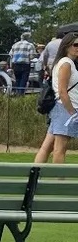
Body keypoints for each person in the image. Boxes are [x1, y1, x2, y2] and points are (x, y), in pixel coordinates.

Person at [33, 31, 78, 165]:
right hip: (66, 108)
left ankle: (34, 177)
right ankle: (59, 181)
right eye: (75, 45)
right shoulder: (66, 64)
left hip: (61, 108)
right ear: (66, 46)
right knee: (60, 148)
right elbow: (63, 91)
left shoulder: (65, 62)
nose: (77, 48)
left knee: (47, 147)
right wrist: (72, 112)